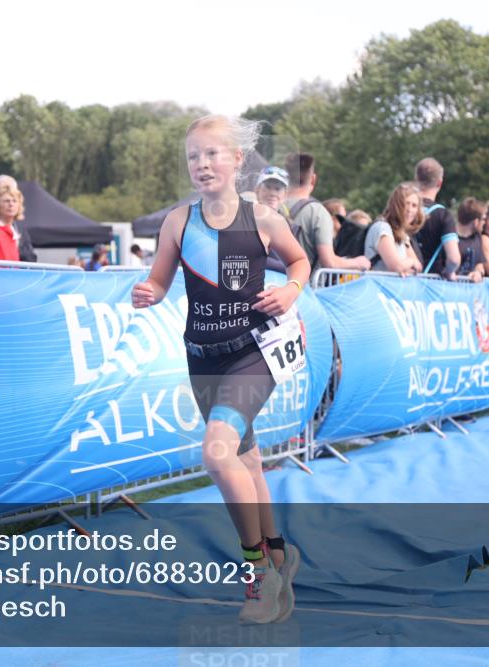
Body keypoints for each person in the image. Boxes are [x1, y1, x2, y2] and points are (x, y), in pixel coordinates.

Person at [132, 114, 308, 624]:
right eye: (193, 156)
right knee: (245, 462)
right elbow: (160, 281)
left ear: (236, 161)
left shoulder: (264, 218)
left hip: (252, 351)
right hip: (201, 355)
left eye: (212, 154)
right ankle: (277, 550)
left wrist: (290, 290)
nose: (202, 164)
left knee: (216, 453)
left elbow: (299, 263)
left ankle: (258, 574)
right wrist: (150, 293)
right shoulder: (177, 222)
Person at [284, 153, 370, 277]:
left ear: (287, 177)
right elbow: (329, 262)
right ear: (313, 179)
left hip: (271, 284)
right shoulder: (318, 213)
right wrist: (358, 262)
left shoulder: (270, 207)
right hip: (302, 288)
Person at [413, 158, 460, 279]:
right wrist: (449, 272)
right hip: (431, 282)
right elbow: (454, 259)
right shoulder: (443, 215)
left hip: (401, 281)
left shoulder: (402, 210)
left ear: (416, 179)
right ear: (440, 182)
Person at [363, 182, 424, 275]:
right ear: (396, 205)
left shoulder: (402, 234)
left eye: (414, 205)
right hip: (378, 288)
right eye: (406, 203)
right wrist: (411, 262)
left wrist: (407, 266)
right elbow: (397, 267)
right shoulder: (382, 228)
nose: (410, 209)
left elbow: (418, 267)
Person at [455, 198, 486, 282]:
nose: (484, 223)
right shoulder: (450, 238)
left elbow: (479, 264)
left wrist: (478, 272)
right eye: (483, 219)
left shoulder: (477, 237)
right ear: (476, 222)